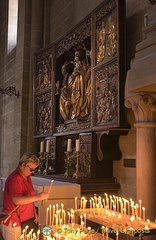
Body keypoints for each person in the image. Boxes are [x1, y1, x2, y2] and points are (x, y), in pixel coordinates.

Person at [1, 153, 49, 240]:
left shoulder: (27, 177)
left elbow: (30, 196)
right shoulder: (15, 178)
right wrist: (39, 197)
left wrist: (34, 213)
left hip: (26, 219)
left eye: (34, 170)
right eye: (31, 169)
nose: (32, 172)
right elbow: (17, 200)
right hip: (14, 221)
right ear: (23, 165)